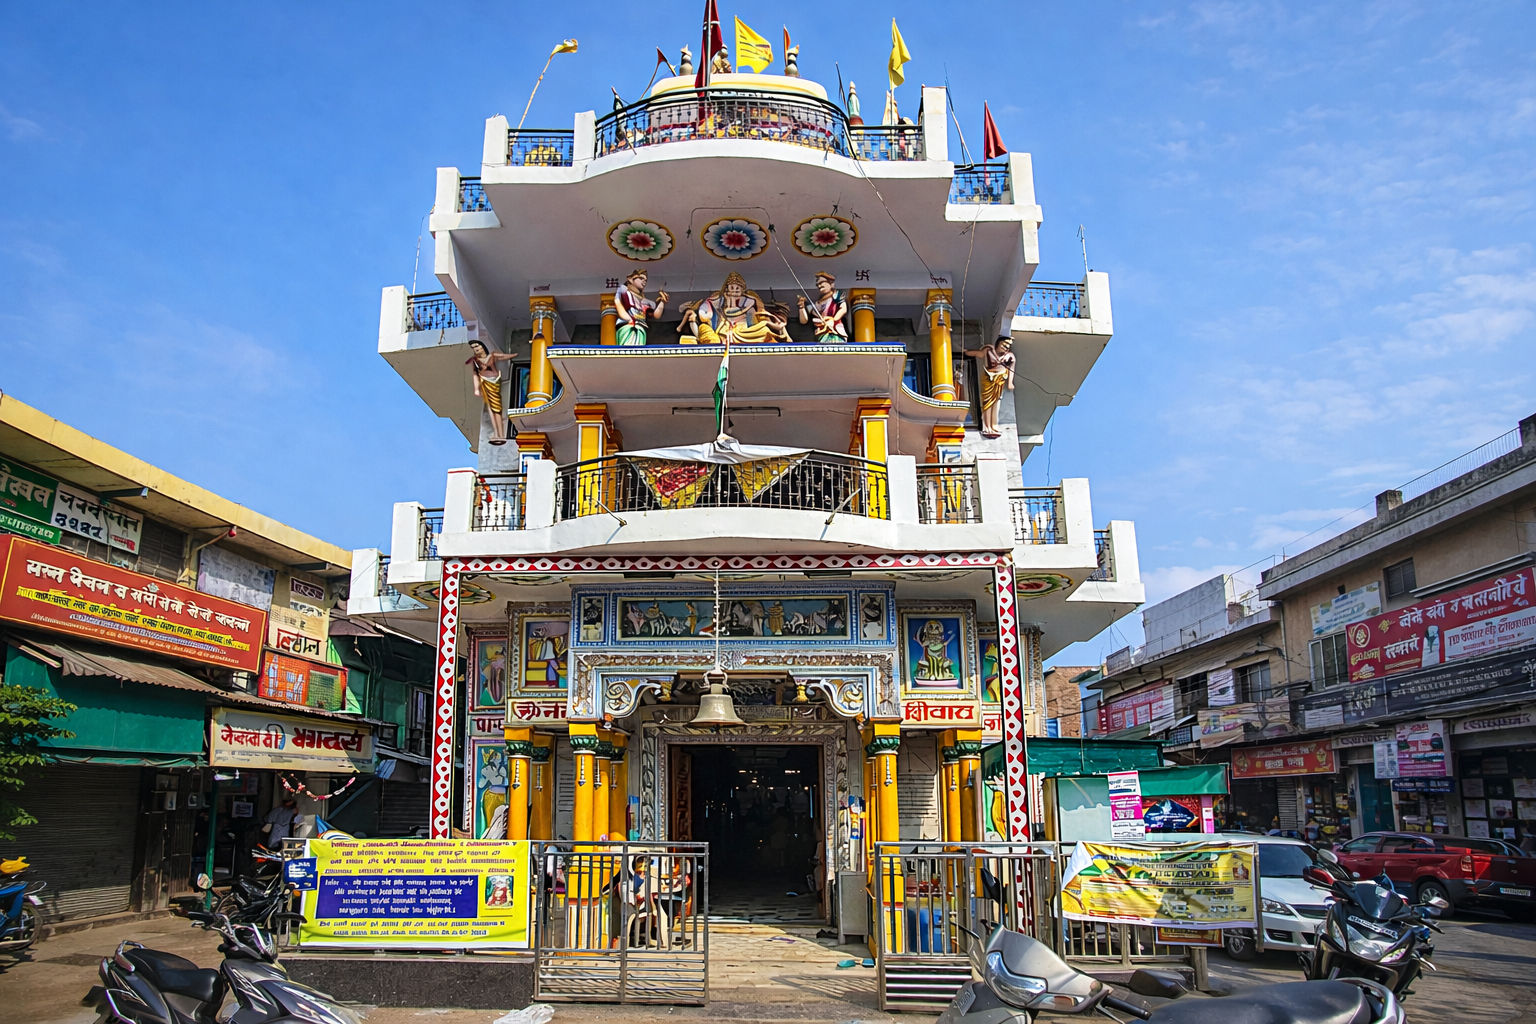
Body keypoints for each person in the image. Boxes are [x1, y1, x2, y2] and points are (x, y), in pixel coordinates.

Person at [465, 340, 516, 445]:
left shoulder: (492, 356)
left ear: (482, 346)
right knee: (491, 409)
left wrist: (515, 354)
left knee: (497, 409)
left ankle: (501, 434)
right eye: (473, 348)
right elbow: (475, 375)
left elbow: (503, 356)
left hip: (495, 382)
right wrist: (476, 388)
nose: (476, 349)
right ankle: (497, 433)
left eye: (477, 346)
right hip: (485, 383)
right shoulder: (475, 361)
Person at [965, 337, 1016, 438]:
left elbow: (1011, 369)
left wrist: (1010, 383)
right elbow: (978, 354)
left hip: (1000, 380)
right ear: (998, 343)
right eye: (1004, 345)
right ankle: (986, 425)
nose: (1005, 348)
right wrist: (966, 352)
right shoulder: (988, 351)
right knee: (987, 403)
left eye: (1007, 346)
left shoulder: (1009, 356)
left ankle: (994, 425)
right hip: (988, 379)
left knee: (997, 402)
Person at [613, 269, 669, 346]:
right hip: (628, 326)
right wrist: (628, 318)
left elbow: (656, 315)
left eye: (645, 280)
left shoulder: (646, 301)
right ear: (630, 279)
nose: (644, 282)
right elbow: (617, 303)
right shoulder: (624, 291)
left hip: (640, 327)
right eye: (641, 278)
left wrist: (662, 302)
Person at [797, 272, 848, 342]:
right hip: (821, 331)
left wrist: (833, 320)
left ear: (830, 284)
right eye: (818, 284)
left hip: (835, 329)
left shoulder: (836, 296)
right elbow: (803, 321)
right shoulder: (817, 304)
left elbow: (843, 309)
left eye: (822, 282)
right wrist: (801, 307)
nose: (819, 285)